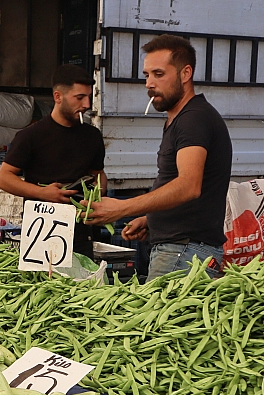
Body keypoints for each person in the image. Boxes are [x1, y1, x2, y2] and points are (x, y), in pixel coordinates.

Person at [86, 34, 232, 281]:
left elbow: (189, 185)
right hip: (182, 249)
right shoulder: (182, 118)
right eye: (147, 75)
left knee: (160, 309)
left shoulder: (193, 119)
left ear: (185, 74)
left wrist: (122, 208)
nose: (149, 84)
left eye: (159, 74)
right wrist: (152, 220)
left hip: (184, 252)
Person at [0, 64, 107, 257]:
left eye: (89, 97)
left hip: (81, 228)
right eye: (79, 97)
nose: (86, 104)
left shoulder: (92, 136)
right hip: (42, 228)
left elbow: (99, 175)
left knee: (83, 275)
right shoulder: (31, 136)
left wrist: (97, 194)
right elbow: (3, 178)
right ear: (58, 97)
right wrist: (43, 193)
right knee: (43, 277)